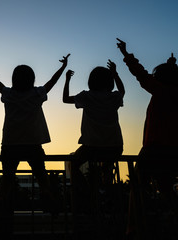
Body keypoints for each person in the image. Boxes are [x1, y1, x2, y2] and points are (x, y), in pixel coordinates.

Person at [116, 38, 178, 239]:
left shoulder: (161, 91)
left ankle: (132, 226)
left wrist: (126, 55)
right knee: (165, 187)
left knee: (137, 185)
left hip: (157, 145)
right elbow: (176, 80)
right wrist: (172, 66)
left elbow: (141, 74)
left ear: (160, 78)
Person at [0, 54, 69, 217]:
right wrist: (63, 67)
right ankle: (49, 197)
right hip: (33, 142)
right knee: (41, 174)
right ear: (32, 79)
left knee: (7, 177)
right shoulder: (36, 94)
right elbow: (52, 82)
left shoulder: (9, 94)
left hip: (10, 143)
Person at [63, 61, 125, 238]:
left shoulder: (87, 96)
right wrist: (115, 73)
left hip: (92, 146)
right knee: (106, 171)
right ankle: (104, 192)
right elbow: (122, 92)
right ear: (109, 82)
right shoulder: (114, 97)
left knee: (74, 165)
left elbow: (65, 99)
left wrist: (67, 80)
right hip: (114, 146)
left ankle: (91, 192)